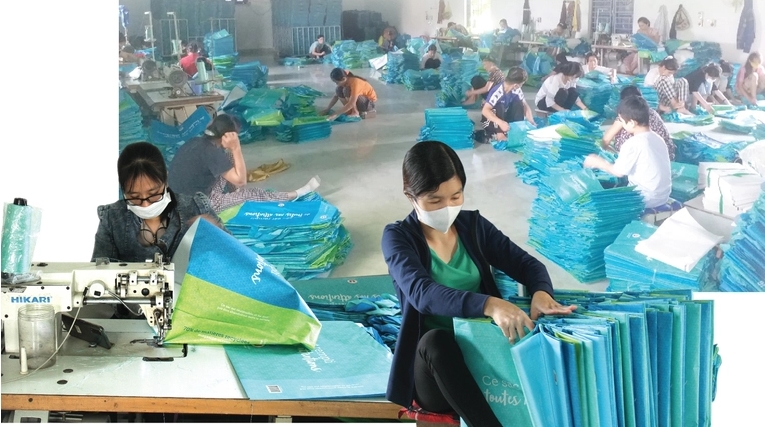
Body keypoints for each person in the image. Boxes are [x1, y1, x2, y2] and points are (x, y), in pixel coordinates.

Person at [381, 140, 576, 427]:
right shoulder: (398, 238)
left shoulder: (472, 227)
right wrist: (490, 305)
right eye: (434, 201)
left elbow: (527, 265)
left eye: (456, 196)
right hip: (435, 370)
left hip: (483, 352)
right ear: (411, 196)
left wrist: (541, 291)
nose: (447, 207)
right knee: (436, 342)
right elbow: (422, 294)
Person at [92, 142, 226, 263]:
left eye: (153, 195)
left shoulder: (195, 208)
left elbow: (233, 258)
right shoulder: (112, 219)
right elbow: (99, 272)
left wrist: (216, 234)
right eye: (134, 197)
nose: (145, 205)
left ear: (165, 179)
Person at [168, 115, 321, 213]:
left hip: (179, 197)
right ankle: (293, 195)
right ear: (228, 136)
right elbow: (241, 181)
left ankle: (234, 195)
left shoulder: (196, 141)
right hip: (197, 205)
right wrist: (236, 147)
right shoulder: (211, 152)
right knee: (251, 193)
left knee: (229, 158)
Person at [584, 96, 672, 209]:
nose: (621, 124)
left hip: (645, 198)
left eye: (621, 121)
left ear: (632, 123)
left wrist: (598, 162)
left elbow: (618, 172)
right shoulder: (657, 138)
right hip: (663, 196)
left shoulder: (633, 143)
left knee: (595, 202)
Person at [601, 86, 676, 160]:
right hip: (666, 155)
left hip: (641, 158)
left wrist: (610, 154)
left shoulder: (626, 116)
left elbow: (605, 140)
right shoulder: (652, 112)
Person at [481, 67, 537, 142]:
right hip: (491, 121)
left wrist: (531, 121)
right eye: (521, 84)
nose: (521, 86)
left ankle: (517, 128)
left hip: (504, 118)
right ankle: (499, 133)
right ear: (516, 85)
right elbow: (485, 111)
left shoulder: (516, 90)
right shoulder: (497, 91)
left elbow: (525, 106)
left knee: (519, 103)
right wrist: (500, 123)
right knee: (499, 105)